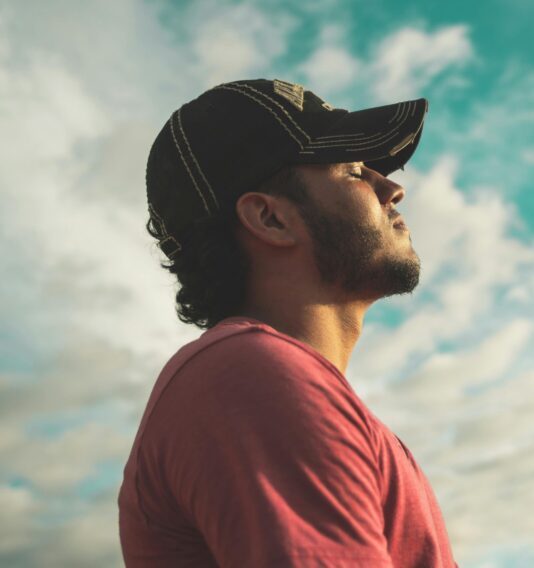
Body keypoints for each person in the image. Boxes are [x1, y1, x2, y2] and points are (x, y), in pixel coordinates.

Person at [118, 78, 458, 567]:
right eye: (353, 170)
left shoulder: (266, 381)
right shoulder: (251, 377)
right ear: (270, 219)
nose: (393, 188)